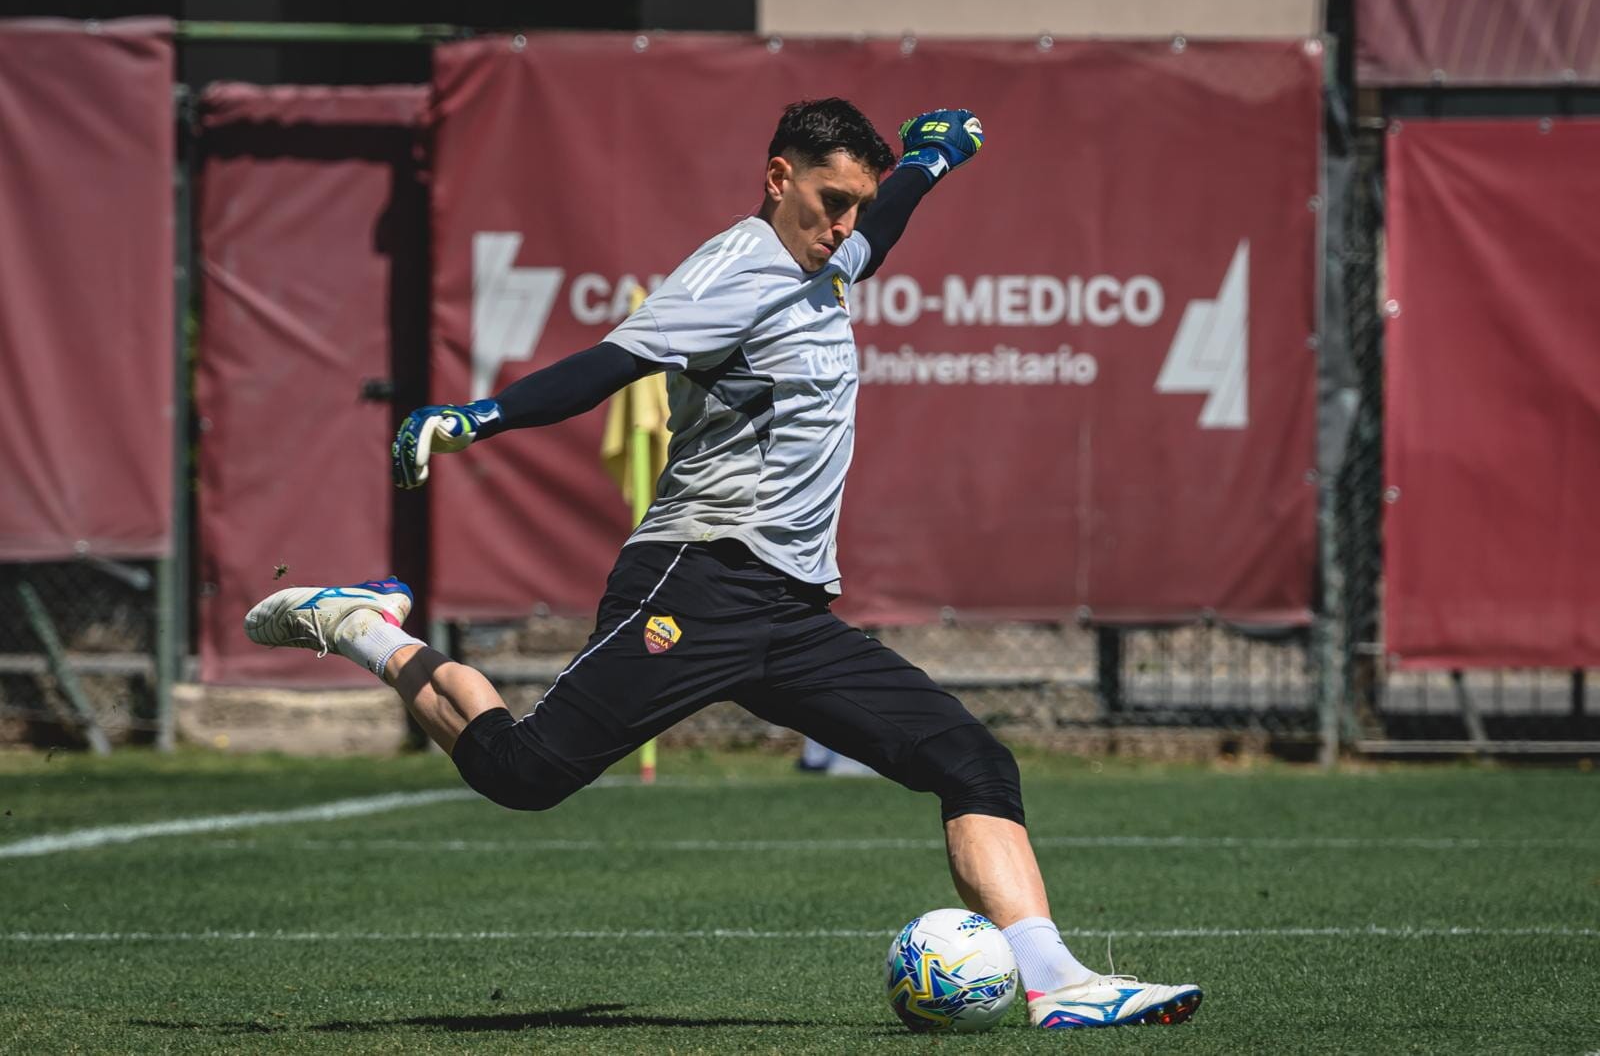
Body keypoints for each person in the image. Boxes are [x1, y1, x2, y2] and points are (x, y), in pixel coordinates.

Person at [244, 98, 1202, 1030]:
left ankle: (1057, 982)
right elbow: (608, 365)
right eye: (831, 201)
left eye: (856, 205)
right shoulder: (731, 271)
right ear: (778, 178)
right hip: (698, 578)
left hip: (788, 612)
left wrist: (929, 162)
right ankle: (365, 627)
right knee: (525, 772)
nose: (846, 225)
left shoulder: (828, 253)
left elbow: (881, 229)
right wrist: (478, 417)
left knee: (973, 761)